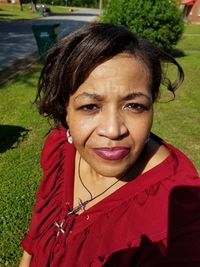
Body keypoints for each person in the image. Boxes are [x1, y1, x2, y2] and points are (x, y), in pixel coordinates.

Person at [19, 23, 200, 267]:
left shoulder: (178, 210)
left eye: (134, 105)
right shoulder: (60, 148)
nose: (113, 130)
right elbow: (37, 232)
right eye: (90, 106)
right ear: (65, 112)